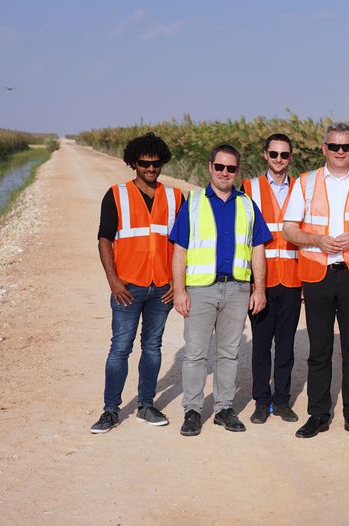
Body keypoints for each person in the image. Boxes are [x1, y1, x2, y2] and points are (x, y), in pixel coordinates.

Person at [282, 122, 349, 439]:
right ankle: (318, 414)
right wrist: (316, 241)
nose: (339, 152)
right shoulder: (306, 182)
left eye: (346, 147)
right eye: (334, 146)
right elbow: (289, 229)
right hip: (318, 273)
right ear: (324, 148)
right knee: (320, 349)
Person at [170, 144, 271, 437]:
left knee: (229, 354)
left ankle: (224, 409)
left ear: (237, 171)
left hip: (237, 289)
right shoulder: (194, 202)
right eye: (219, 167)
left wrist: (259, 289)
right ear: (210, 167)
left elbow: (258, 250)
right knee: (195, 354)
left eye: (231, 168)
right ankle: (192, 410)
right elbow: (180, 250)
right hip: (200, 290)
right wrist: (180, 290)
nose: (224, 173)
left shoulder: (248, 205)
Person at [91, 132, 182, 433]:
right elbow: (104, 239)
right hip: (127, 288)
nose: (151, 169)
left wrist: (178, 283)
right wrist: (113, 280)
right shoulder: (116, 195)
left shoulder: (175, 197)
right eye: (144, 163)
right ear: (133, 163)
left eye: (156, 163)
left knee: (153, 347)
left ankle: (146, 405)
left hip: (162, 289)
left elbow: (184, 243)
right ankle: (110, 410)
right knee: (120, 348)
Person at [242, 133, 301, 424]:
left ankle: (282, 401)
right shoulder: (249, 188)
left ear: (291, 157)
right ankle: (261, 401)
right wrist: (252, 283)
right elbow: (244, 238)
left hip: (293, 280)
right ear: (265, 155)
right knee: (261, 345)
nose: (280, 160)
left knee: (287, 347)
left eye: (285, 155)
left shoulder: (302, 188)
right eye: (274, 154)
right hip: (261, 282)